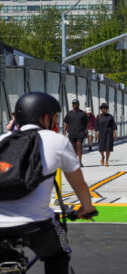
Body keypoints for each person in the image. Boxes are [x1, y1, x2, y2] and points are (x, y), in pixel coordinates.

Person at [0, 92, 96, 273]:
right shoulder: (57, 141)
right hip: (35, 224)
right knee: (60, 252)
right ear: (44, 118)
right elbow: (79, 184)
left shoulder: (3, 139)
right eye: (54, 117)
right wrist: (86, 207)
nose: (56, 122)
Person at [63, 99, 88, 167]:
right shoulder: (69, 113)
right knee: (73, 148)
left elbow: (86, 124)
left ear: (78, 105)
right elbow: (66, 122)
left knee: (79, 146)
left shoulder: (83, 114)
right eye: (74, 104)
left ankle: (80, 161)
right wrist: (64, 130)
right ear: (72, 105)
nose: (75, 105)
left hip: (80, 133)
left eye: (76, 104)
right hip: (71, 133)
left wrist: (86, 132)